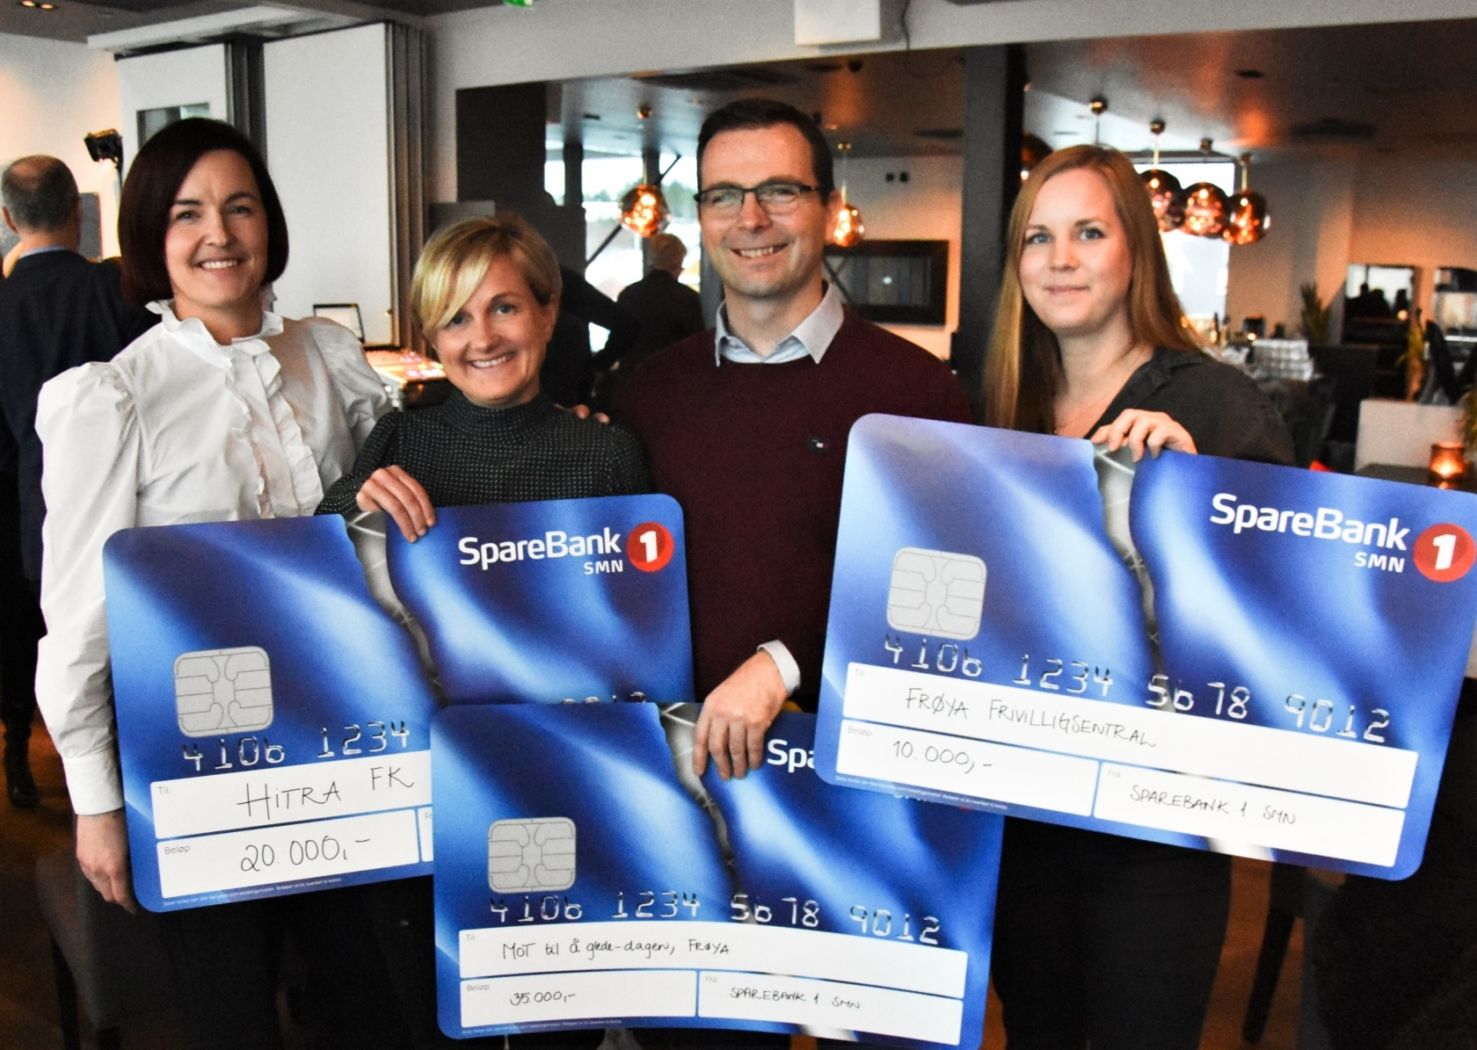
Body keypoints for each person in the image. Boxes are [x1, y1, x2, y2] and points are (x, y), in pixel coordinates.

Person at [34, 117, 393, 1049]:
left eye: (240, 207)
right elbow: (78, 620)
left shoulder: (329, 357)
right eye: (187, 213)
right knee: (231, 1013)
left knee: (362, 998)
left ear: (269, 221)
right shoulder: (115, 397)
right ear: (151, 235)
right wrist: (96, 805)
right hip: (196, 752)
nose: (219, 235)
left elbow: (389, 515)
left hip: (341, 736)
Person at [982, 143, 1292, 1050]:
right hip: (1023, 811)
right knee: (1036, 1030)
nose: (1059, 259)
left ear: (1136, 252)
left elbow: (1279, 612)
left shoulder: (1216, 403)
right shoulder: (1000, 405)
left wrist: (1197, 497)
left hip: (1158, 822)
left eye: (1087, 232)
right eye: (1037, 238)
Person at [317, 213, 647, 1050]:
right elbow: (320, 576)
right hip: (421, 781)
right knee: (422, 1007)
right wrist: (352, 508)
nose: (483, 337)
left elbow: (635, 633)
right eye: (456, 318)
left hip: (557, 776)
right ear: (432, 336)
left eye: (504, 307)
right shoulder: (401, 438)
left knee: (551, 1019)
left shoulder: (606, 457)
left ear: (548, 310)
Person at [0, 155, 154, 807]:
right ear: (77, 212)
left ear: (8, 220)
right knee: (118, 650)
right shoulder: (115, 288)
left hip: (27, 515)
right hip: (127, 510)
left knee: (29, 643)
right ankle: (130, 784)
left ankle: (19, 757)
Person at [594, 232, 705, 411]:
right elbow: (696, 348)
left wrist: (598, 365)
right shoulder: (687, 298)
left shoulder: (629, 295)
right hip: (672, 387)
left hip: (631, 384)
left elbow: (617, 342)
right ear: (677, 261)